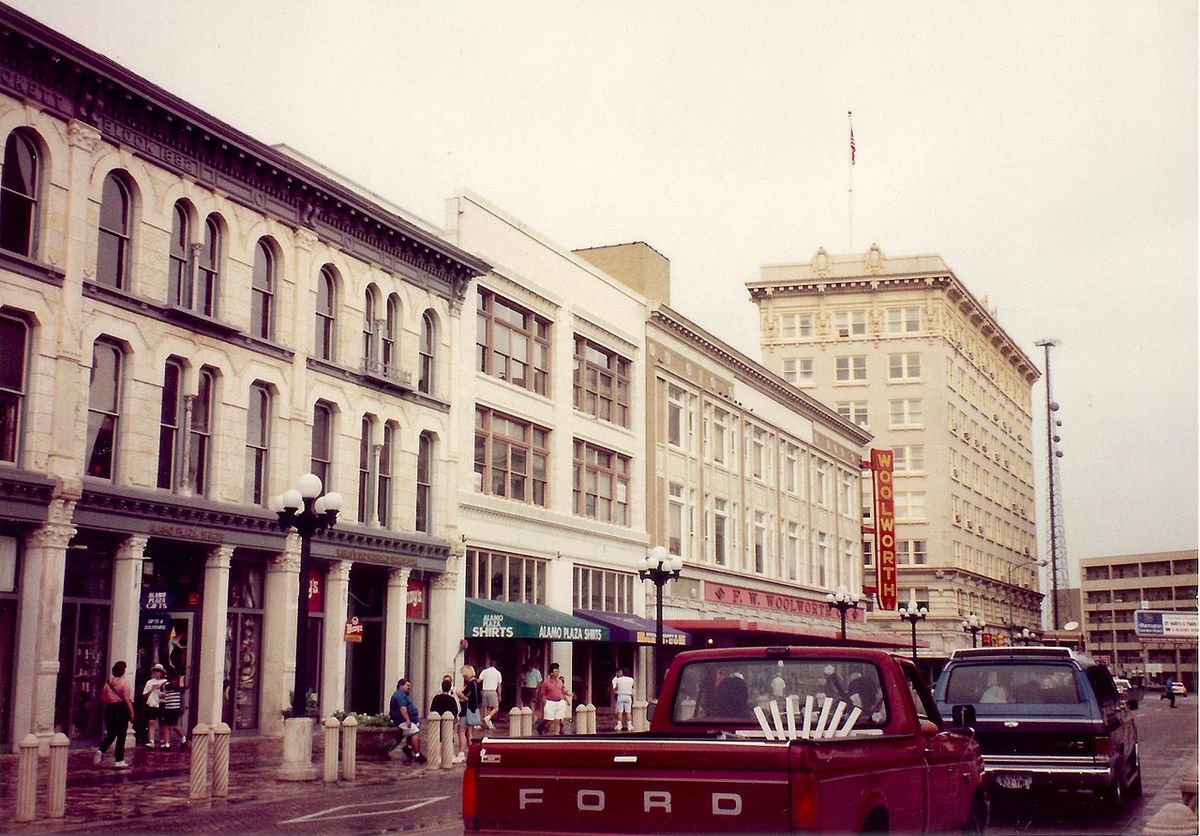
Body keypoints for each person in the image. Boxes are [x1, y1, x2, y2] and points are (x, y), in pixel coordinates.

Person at [95, 661, 134, 768]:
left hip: (109, 708)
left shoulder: (108, 684)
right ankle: (119, 759)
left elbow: (103, 698)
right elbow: (127, 699)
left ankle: (101, 750)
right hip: (120, 708)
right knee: (121, 735)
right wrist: (131, 713)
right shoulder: (124, 683)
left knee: (111, 733)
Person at [389, 678, 426, 763]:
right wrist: (407, 719)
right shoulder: (399, 695)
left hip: (409, 720)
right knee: (415, 732)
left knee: (412, 731)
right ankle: (417, 755)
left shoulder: (403, 695)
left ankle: (408, 748)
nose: (409, 687)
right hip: (402, 721)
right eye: (407, 685)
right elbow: (402, 708)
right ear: (401, 686)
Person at [429, 674, 464, 763]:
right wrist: (455, 719)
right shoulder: (451, 699)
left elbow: (432, 709)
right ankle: (448, 754)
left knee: (439, 737)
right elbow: (455, 711)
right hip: (449, 722)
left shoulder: (436, 697)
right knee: (449, 737)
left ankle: (438, 755)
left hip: (437, 721)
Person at [457, 665, 483, 752]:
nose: (464, 677)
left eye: (464, 675)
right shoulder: (476, 683)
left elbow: (465, 697)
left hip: (466, 711)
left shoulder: (470, 684)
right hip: (473, 709)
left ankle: (461, 752)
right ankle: (472, 751)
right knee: (470, 732)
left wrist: (458, 693)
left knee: (462, 732)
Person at [539, 662, 570, 735]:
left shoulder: (560, 682)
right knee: (549, 721)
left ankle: (557, 734)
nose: (557, 673)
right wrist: (545, 703)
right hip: (550, 702)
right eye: (555, 671)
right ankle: (544, 732)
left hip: (559, 702)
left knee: (558, 720)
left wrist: (566, 698)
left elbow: (562, 691)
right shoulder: (546, 683)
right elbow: (543, 694)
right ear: (551, 673)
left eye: (558, 671)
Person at [142, 663, 168, 748]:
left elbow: (166, 693)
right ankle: (151, 740)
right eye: (155, 671)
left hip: (162, 703)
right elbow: (144, 695)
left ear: (161, 673)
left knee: (162, 723)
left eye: (158, 671)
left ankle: (162, 740)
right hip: (153, 703)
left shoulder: (165, 682)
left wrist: (162, 693)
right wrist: (151, 690)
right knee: (151, 721)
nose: (156, 673)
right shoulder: (149, 682)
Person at [158, 675, 185, 749]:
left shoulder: (179, 687)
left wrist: (181, 679)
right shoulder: (166, 686)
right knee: (166, 725)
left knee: (174, 725)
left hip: (175, 708)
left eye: (175, 680)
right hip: (167, 708)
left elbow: (182, 690)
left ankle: (183, 737)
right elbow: (161, 694)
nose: (174, 681)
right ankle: (167, 743)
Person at [478, 659, 502, 729]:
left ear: (489, 664)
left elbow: (479, 680)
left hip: (485, 691)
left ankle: (488, 723)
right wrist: (499, 695)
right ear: (495, 665)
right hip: (492, 691)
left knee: (486, 707)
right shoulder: (498, 673)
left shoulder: (484, 671)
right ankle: (488, 718)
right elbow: (499, 685)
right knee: (496, 708)